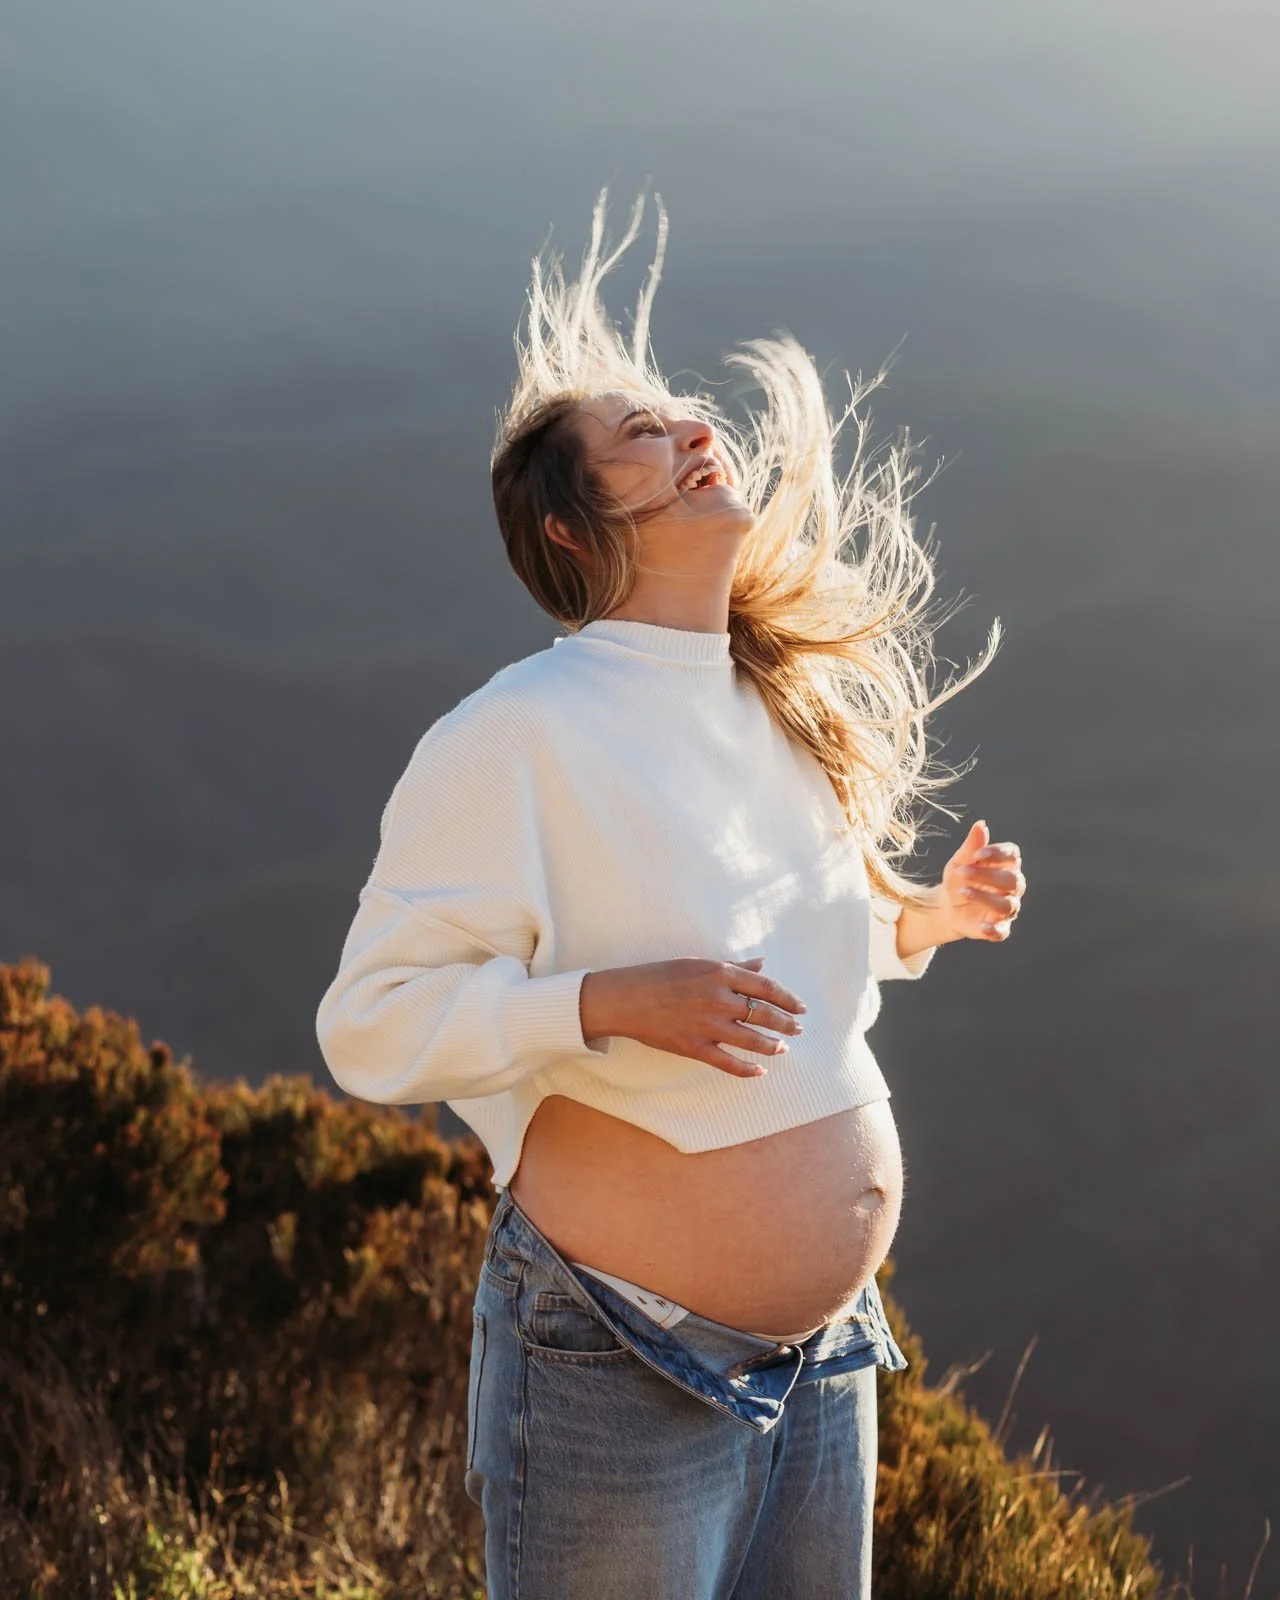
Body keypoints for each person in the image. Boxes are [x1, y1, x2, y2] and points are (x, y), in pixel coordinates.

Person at [315, 187, 1026, 1599]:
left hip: (827, 1360)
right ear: (572, 534)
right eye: (642, 434)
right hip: (618, 1356)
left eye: (684, 415)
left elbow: (775, 966)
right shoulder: (512, 738)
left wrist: (919, 925)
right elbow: (370, 1027)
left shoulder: (773, 705)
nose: (696, 431)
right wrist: (604, 1006)